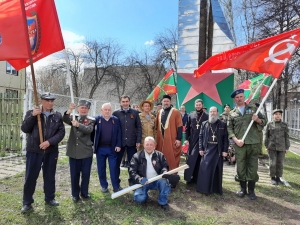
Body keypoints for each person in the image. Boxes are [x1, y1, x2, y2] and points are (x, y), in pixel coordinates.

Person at [21, 92, 65, 213]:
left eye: (52, 101)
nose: (50, 103)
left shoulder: (57, 115)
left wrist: (49, 142)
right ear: (41, 101)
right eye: (47, 101)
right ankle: (27, 202)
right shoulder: (32, 113)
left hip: (51, 151)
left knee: (50, 176)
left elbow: (61, 133)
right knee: (30, 177)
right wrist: (33, 116)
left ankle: (50, 198)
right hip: (34, 151)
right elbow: (25, 129)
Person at [227, 89, 266, 200]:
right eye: (237, 97)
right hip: (240, 144)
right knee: (241, 167)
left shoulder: (254, 109)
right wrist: (236, 140)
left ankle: (252, 190)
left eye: (241, 96)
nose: (239, 99)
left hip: (253, 143)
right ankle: (243, 189)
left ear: (244, 97)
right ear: (234, 99)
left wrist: (257, 119)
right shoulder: (232, 113)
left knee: (253, 167)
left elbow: (264, 122)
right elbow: (229, 129)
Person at [63, 100, 95, 202]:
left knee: (85, 174)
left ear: (88, 110)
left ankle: (84, 192)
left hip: (86, 151)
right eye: (82, 107)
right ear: (78, 108)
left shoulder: (91, 120)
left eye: (86, 108)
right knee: (74, 174)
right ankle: (75, 194)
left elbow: (89, 129)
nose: (84, 110)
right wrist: (70, 109)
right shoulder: (73, 117)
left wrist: (78, 125)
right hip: (74, 151)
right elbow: (64, 119)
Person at [129, 136, 171, 211]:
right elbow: (132, 171)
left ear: (154, 146)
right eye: (147, 144)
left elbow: (165, 166)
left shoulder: (160, 155)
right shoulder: (137, 156)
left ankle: (163, 201)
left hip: (157, 180)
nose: (149, 146)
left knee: (164, 182)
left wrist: (164, 171)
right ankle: (144, 195)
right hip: (143, 182)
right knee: (139, 199)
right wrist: (139, 178)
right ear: (144, 145)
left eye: (151, 144)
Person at [197, 107, 229, 195]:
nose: (212, 113)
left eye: (214, 111)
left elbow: (225, 139)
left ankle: (215, 189)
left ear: (217, 112)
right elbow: (200, 137)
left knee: (216, 169)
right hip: (207, 149)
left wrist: (225, 150)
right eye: (211, 111)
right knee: (205, 168)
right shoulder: (204, 124)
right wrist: (200, 148)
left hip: (217, 150)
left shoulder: (222, 124)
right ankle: (204, 189)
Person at [92, 103, 122, 192]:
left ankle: (115, 186)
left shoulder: (115, 120)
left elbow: (119, 133)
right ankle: (104, 186)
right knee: (101, 168)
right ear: (101, 110)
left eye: (109, 110)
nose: (107, 111)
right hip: (100, 148)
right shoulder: (96, 119)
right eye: (105, 109)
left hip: (112, 148)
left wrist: (118, 144)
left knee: (113, 168)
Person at [112, 95, 142, 186]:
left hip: (131, 142)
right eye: (123, 101)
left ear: (129, 102)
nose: (125, 103)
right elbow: (113, 128)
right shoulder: (116, 113)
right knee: (116, 163)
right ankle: (116, 182)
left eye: (126, 101)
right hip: (119, 143)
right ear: (120, 102)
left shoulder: (135, 113)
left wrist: (138, 140)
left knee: (132, 164)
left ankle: (132, 181)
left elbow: (139, 127)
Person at [155, 95, 183, 177]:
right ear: (162, 102)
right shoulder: (159, 112)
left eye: (167, 101)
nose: (166, 103)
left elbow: (180, 126)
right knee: (160, 157)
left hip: (172, 139)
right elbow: (155, 126)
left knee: (172, 158)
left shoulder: (175, 112)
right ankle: (161, 175)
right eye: (164, 101)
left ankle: (172, 177)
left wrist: (179, 138)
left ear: (170, 102)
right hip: (161, 140)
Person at [184, 99, 208, 183]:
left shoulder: (206, 116)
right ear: (195, 105)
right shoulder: (191, 115)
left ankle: (197, 178)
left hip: (202, 140)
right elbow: (187, 129)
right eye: (197, 105)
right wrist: (186, 139)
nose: (198, 106)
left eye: (199, 105)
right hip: (192, 140)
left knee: (199, 160)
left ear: (202, 105)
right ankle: (188, 178)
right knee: (190, 159)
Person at [264, 109, 290, 185]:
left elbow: (286, 136)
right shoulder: (269, 124)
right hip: (272, 147)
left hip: (282, 147)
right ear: (273, 115)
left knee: (280, 163)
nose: (278, 115)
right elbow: (266, 136)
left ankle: (278, 178)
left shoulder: (284, 125)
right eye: (276, 114)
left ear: (281, 116)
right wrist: (266, 146)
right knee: (273, 163)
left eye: (279, 114)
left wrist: (287, 147)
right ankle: (272, 178)